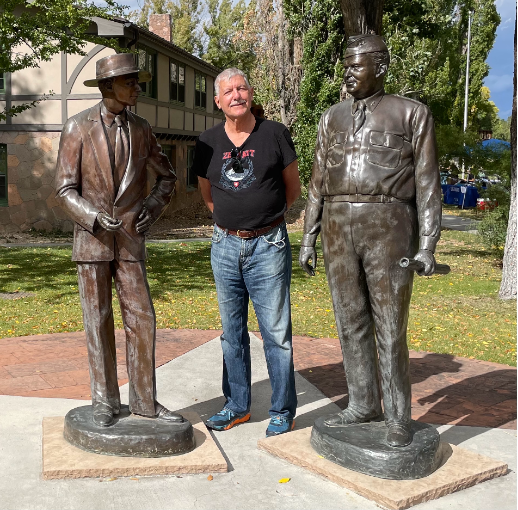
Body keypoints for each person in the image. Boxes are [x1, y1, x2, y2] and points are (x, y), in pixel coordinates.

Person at [299, 35, 442, 447]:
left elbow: (428, 183)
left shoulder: (411, 113)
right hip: (337, 224)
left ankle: (397, 416)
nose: (347, 73)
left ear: (380, 67)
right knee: (350, 321)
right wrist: (308, 237)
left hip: (389, 225)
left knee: (390, 325)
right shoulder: (331, 117)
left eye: (356, 66)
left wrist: (427, 244)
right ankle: (362, 404)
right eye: (345, 66)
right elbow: (317, 181)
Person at [55, 53, 183, 427]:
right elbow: (64, 189)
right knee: (97, 321)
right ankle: (104, 401)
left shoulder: (141, 129)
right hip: (92, 242)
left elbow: (168, 177)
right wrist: (92, 217)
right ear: (109, 86)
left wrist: (151, 208)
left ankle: (145, 401)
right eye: (130, 82)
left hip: (130, 238)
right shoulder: (76, 128)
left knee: (142, 318)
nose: (137, 88)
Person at [192, 68, 301, 436]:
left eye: (241, 88)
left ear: (250, 94)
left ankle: (282, 411)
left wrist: (264, 220)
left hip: (268, 244)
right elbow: (207, 193)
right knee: (232, 332)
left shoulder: (274, 134)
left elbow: (292, 190)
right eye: (228, 91)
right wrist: (231, 222)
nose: (236, 95)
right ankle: (237, 406)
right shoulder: (207, 142)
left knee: (276, 334)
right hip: (224, 245)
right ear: (218, 101)